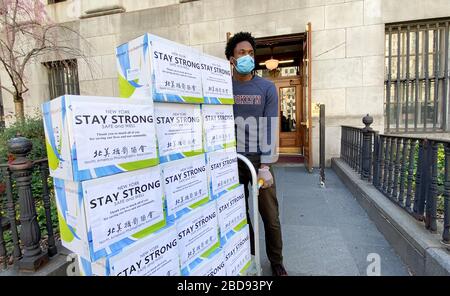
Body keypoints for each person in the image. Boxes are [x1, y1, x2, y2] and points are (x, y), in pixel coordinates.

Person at [225, 32, 287, 276]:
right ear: (231, 58)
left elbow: (271, 125)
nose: (247, 57)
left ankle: (277, 261)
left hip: (259, 162)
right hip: (231, 162)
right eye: (242, 53)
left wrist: (266, 165)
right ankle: (249, 257)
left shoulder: (266, 87)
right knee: (241, 215)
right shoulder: (222, 86)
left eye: (251, 53)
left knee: (270, 216)